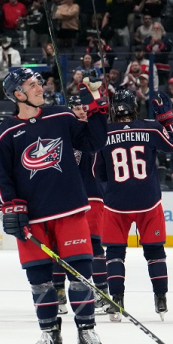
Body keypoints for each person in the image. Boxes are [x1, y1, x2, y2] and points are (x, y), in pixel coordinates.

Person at [0, 67, 108, 344]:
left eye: (39, 83)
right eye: (33, 84)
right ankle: (49, 336)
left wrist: (96, 104)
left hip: (70, 211)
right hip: (33, 220)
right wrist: (10, 207)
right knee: (40, 281)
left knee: (81, 276)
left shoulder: (61, 116)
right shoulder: (3, 133)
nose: (40, 87)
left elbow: (94, 143)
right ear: (18, 94)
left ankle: (87, 332)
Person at [96, 89, 173, 321]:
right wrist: (167, 120)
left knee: (114, 254)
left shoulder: (103, 133)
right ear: (135, 107)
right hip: (148, 201)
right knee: (155, 252)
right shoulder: (150, 128)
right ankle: (160, 298)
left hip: (116, 203)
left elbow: (99, 173)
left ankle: (117, 300)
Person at [55, 95, 110, 316]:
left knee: (94, 247)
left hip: (93, 197)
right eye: (76, 108)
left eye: (83, 107)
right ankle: (58, 291)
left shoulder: (93, 133)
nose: (81, 111)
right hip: (67, 199)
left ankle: (101, 291)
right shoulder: (65, 133)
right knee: (59, 247)